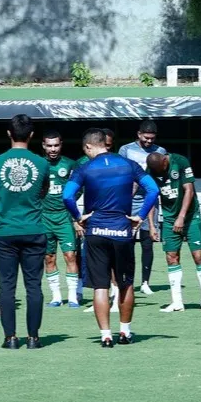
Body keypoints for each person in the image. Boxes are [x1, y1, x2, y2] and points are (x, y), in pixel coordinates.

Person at [63, 128, 160, 348]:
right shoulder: (128, 164)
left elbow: (67, 196)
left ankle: (105, 335)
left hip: (96, 232)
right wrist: (140, 216)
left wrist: (78, 217)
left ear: (88, 146)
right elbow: (153, 190)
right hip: (121, 231)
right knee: (126, 285)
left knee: (100, 287)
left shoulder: (85, 168)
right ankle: (125, 332)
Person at [0, 115, 50, 348]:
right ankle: (34, 337)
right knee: (34, 286)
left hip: (5, 230)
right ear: (32, 135)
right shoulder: (42, 163)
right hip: (34, 228)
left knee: (7, 286)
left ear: (8, 134)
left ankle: (10, 337)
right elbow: (43, 191)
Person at [146, 152, 201, 313]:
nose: (159, 174)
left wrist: (181, 217)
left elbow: (189, 190)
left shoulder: (180, 161)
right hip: (169, 219)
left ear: (164, 161)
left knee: (198, 256)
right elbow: (151, 198)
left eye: (161, 170)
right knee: (171, 257)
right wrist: (152, 226)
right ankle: (177, 302)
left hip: (190, 216)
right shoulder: (152, 171)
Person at [118, 120, 165, 295]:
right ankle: (127, 278)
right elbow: (120, 173)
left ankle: (145, 281)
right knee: (126, 241)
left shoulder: (160, 151)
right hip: (129, 201)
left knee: (147, 242)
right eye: (146, 138)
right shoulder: (126, 149)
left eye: (152, 139)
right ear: (139, 134)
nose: (149, 142)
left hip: (150, 200)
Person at [79, 129, 120, 313]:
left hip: (115, 220)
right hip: (93, 219)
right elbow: (72, 193)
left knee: (115, 263)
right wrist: (77, 218)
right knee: (97, 263)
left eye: (109, 145)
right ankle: (102, 301)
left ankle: (117, 297)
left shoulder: (118, 163)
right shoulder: (83, 165)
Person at [42, 130, 81, 308]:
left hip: (65, 217)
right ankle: (56, 296)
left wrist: (71, 202)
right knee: (49, 258)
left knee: (70, 255)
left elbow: (79, 187)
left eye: (56, 145)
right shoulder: (38, 165)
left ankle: (73, 296)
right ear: (43, 146)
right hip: (44, 218)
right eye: (49, 145)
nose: (53, 149)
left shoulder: (70, 164)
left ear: (61, 145)